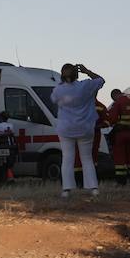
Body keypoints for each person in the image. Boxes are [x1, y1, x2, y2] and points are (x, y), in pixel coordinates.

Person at [52, 62, 106, 198]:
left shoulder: (59, 90)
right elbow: (101, 80)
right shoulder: (85, 86)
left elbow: (54, 99)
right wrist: (87, 71)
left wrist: (63, 82)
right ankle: (93, 188)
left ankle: (66, 189)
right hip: (85, 127)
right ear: (76, 74)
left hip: (66, 128)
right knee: (87, 158)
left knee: (67, 158)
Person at [107, 88, 130, 186]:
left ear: (115, 95)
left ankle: (121, 182)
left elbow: (112, 119)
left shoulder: (117, 104)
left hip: (120, 134)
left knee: (120, 159)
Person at [73, 98, 107, 183]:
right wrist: (98, 126)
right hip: (95, 134)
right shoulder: (100, 106)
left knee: (79, 156)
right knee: (93, 156)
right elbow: (107, 121)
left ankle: (79, 181)